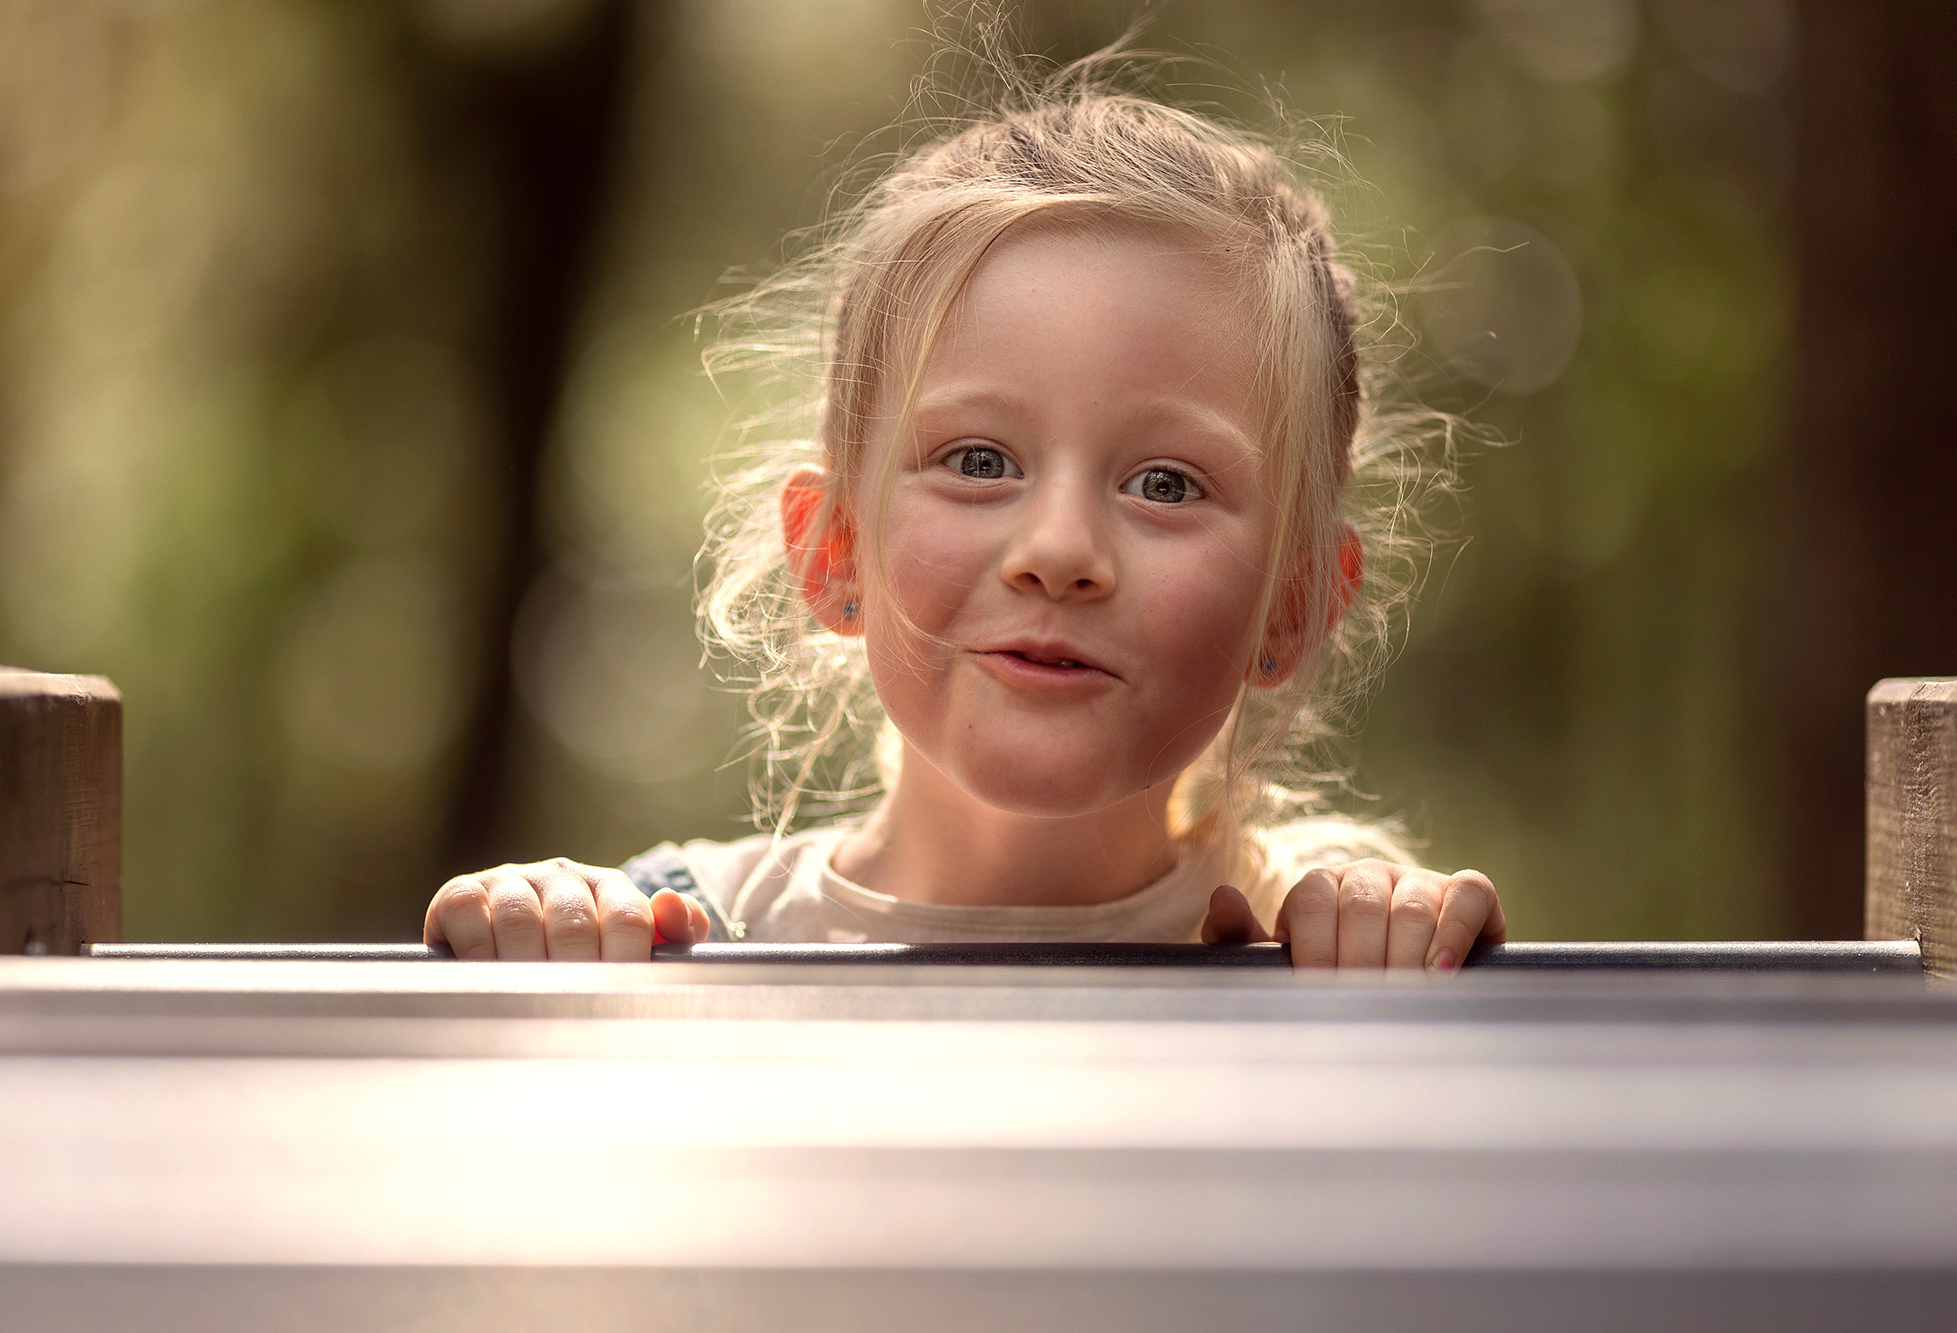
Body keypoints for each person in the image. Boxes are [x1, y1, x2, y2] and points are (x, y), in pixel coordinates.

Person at [424, 59, 1506, 969]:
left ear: (1295, 602)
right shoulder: (665, 941)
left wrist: (1382, 984)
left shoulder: (1317, 959)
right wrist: (533, 944)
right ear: (833, 549)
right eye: (978, 459)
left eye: (1165, 484)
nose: (1059, 553)